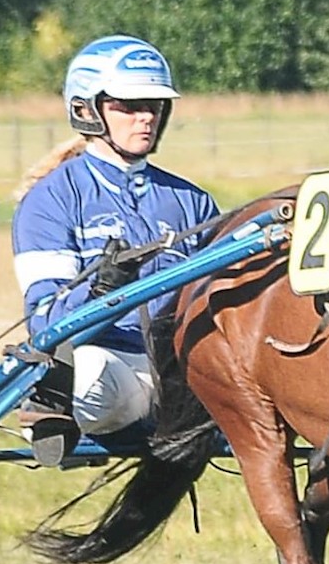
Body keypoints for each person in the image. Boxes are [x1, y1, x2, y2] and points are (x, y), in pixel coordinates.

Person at [11, 36, 220, 463]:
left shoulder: (192, 201)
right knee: (84, 376)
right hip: (111, 368)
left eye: (154, 106)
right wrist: (99, 292)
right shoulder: (52, 199)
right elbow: (44, 320)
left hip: (185, 372)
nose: (145, 117)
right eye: (129, 105)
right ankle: (56, 416)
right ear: (87, 110)